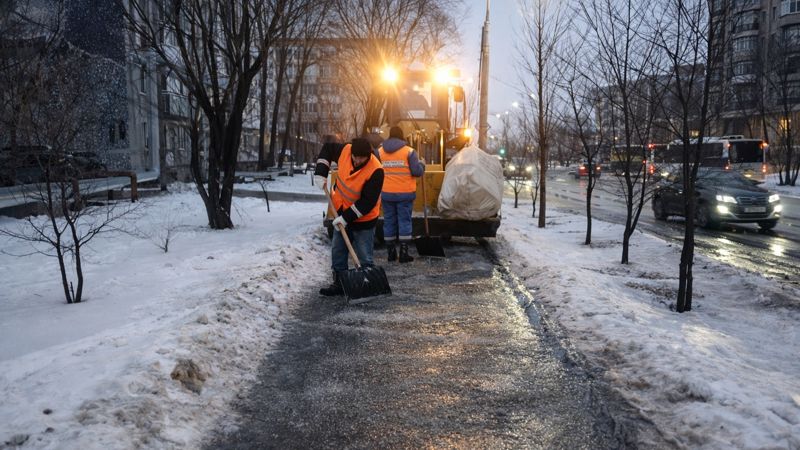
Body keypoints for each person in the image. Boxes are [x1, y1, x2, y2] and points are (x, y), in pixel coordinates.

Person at [314, 138, 385, 296]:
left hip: (364, 219)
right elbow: (327, 147)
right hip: (341, 212)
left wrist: (346, 218)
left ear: (369, 155)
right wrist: (320, 172)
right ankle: (339, 283)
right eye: (356, 156)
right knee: (338, 251)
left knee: (364, 255)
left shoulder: (376, 171)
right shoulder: (345, 150)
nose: (358, 160)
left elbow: (367, 202)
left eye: (362, 158)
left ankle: (368, 285)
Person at [379, 126, 425, 263]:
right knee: (404, 221)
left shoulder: (380, 152)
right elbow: (416, 172)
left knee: (389, 222)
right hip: (404, 194)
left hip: (386, 193)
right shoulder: (409, 152)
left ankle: (391, 253)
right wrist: (422, 165)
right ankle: (404, 253)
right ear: (401, 136)